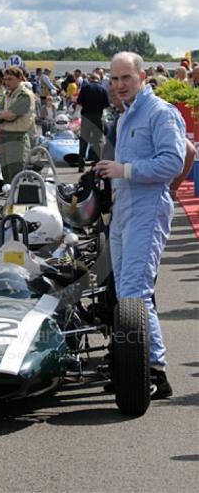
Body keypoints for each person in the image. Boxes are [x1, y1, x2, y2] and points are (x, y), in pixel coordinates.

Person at [95, 52, 186, 399]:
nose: (119, 85)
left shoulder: (161, 112)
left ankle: (153, 370)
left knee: (134, 291)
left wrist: (125, 170)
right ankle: (136, 364)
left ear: (142, 76)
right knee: (125, 292)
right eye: (114, 79)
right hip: (125, 208)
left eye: (125, 79)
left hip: (148, 207)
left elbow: (174, 161)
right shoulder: (126, 114)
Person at [0, 66, 36, 183]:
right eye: (5, 79)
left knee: (16, 175)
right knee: (6, 174)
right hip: (4, 137)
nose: (6, 82)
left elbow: (11, 115)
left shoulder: (24, 95)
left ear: (20, 79)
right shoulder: (8, 94)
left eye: (10, 79)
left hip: (17, 138)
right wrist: (1, 115)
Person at [77, 72, 109, 167]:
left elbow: (79, 102)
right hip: (98, 116)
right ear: (98, 79)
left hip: (86, 116)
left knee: (84, 140)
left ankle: (81, 164)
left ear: (91, 79)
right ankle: (97, 163)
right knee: (98, 141)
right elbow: (106, 105)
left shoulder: (85, 88)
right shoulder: (103, 89)